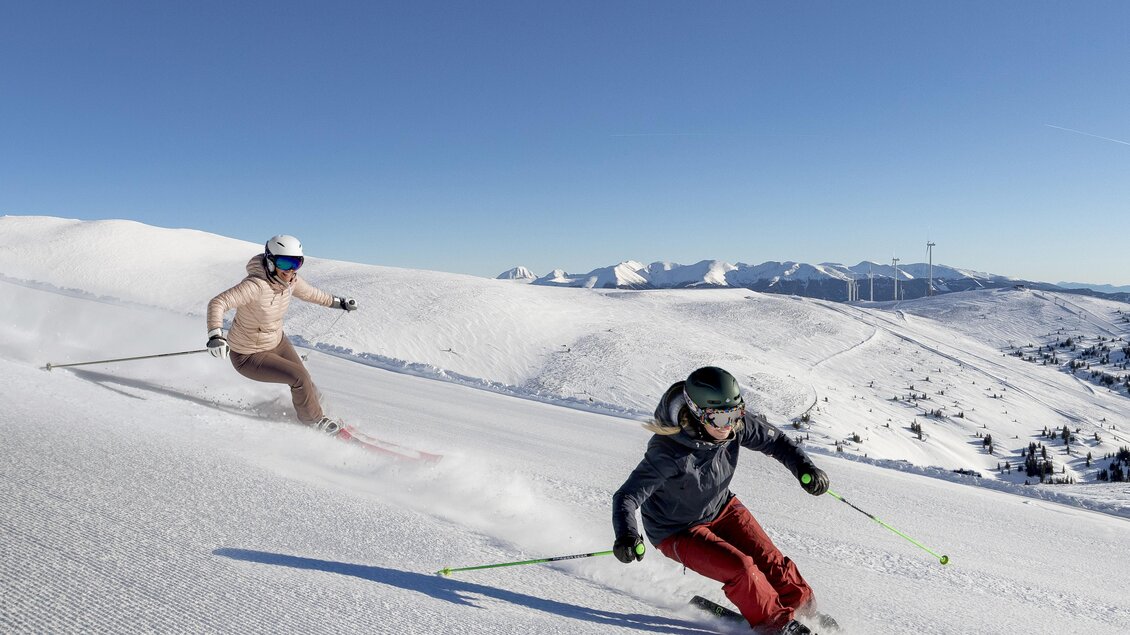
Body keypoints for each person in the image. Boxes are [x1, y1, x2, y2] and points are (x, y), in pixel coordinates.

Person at [611, 367, 833, 635]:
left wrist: (805, 468)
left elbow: (776, 442)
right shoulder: (668, 452)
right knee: (741, 568)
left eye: (736, 413)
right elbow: (627, 496)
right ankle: (776, 624)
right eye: (720, 417)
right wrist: (627, 535)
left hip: (721, 507)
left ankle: (803, 610)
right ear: (697, 413)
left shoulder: (734, 426)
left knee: (770, 560)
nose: (729, 424)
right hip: (676, 530)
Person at [206, 234, 358, 433]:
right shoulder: (255, 285)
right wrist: (215, 336)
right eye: (284, 263)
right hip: (248, 354)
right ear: (270, 261)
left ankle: (322, 412)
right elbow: (218, 303)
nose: (290, 270)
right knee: (299, 378)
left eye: (296, 263)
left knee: (306, 380)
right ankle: (314, 421)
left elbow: (312, 294)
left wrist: (340, 303)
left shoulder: (291, 282)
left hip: (277, 342)